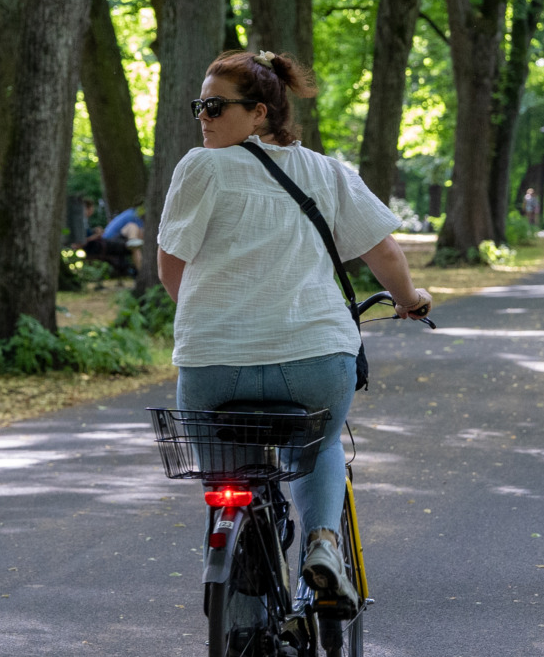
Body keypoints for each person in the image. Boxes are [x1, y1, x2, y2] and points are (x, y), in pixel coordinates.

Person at [157, 50, 431, 603]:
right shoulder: (328, 172)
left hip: (214, 365)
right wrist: (411, 300)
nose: (203, 117)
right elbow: (385, 254)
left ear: (259, 112)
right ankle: (323, 544)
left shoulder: (200, 168)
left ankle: (240, 579)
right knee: (321, 446)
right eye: (199, 106)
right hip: (315, 361)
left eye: (215, 106)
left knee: (226, 481)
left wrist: (214, 318)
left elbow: (171, 269)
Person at [82, 205, 145, 277]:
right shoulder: (133, 215)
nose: (92, 211)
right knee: (133, 228)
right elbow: (83, 241)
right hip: (108, 241)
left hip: (111, 239)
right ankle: (142, 272)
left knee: (134, 235)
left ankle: (134, 242)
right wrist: (96, 235)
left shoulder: (130, 213)